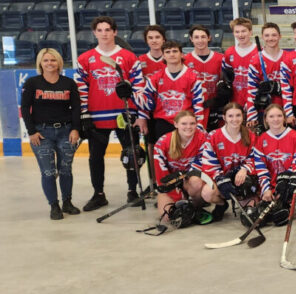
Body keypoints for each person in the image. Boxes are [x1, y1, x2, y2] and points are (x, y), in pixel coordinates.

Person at [75, 16, 144, 211]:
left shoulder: (129, 57)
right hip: (97, 115)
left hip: (125, 113)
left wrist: (137, 110)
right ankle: (98, 194)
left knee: (131, 154)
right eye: (100, 30)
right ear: (95, 33)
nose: (104, 33)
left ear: (115, 32)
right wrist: (84, 115)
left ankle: (133, 191)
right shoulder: (85, 58)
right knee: (95, 157)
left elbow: (139, 86)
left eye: (108, 30)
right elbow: (81, 87)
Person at [22, 48, 82, 219]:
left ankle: (67, 202)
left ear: (59, 63)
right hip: (41, 133)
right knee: (48, 172)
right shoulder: (32, 83)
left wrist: (75, 128)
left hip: (66, 131)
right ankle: (54, 205)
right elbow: (25, 108)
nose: (50, 63)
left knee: (65, 170)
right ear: (40, 63)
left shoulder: (68, 83)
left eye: (53, 60)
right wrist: (32, 131)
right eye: (46, 60)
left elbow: (76, 108)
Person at [136, 39, 206, 141]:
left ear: (182, 54)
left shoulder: (193, 77)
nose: (171, 54)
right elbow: (146, 102)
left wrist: (199, 126)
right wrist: (132, 95)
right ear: (163, 56)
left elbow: (198, 104)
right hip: (163, 123)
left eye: (175, 51)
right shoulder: (156, 78)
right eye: (168, 52)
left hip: (185, 123)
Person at [198, 101, 258, 222]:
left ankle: (245, 199)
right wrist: (220, 178)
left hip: (242, 179)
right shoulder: (213, 136)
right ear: (224, 117)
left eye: (238, 115)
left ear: (243, 116)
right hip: (222, 177)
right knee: (207, 193)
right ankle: (221, 204)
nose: (234, 119)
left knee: (253, 208)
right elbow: (208, 162)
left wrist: (245, 169)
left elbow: (255, 158)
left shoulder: (251, 136)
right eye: (230, 116)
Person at [152, 109, 208, 226]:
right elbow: (161, 174)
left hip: (189, 180)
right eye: (184, 123)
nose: (188, 127)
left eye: (192, 123)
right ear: (176, 124)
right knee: (167, 217)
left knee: (196, 183)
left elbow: (202, 165)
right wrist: (176, 196)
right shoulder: (163, 142)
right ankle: (185, 204)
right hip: (171, 183)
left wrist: (185, 177)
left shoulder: (203, 138)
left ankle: (196, 206)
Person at [252, 104, 296, 207]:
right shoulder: (261, 139)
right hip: (272, 185)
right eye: (271, 116)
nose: (276, 119)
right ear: (265, 119)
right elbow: (261, 168)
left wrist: (287, 183)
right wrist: (266, 189)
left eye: (279, 116)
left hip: (290, 181)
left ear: (284, 118)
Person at [244, 22, 287, 126]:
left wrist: (278, 87)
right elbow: (251, 89)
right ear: (262, 37)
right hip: (264, 109)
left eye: (274, 35)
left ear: (280, 36)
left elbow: (294, 85)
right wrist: (252, 115)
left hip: (284, 108)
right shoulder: (256, 60)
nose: (270, 38)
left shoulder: (288, 57)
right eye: (267, 35)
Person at [184, 25, 224, 129]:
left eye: (203, 37)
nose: (200, 40)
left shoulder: (220, 58)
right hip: (193, 108)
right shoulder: (185, 60)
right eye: (196, 37)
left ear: (209, 38)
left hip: (215, 107)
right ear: (191, 39)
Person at [223, 17, 261, 118]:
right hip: (235, 100)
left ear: (250, 32)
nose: (240, 35)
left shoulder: (260, 51)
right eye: (237, 32)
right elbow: (226, 77)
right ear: (233, 33)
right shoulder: (229, 53)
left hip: (256, 101)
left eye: (244, 31)